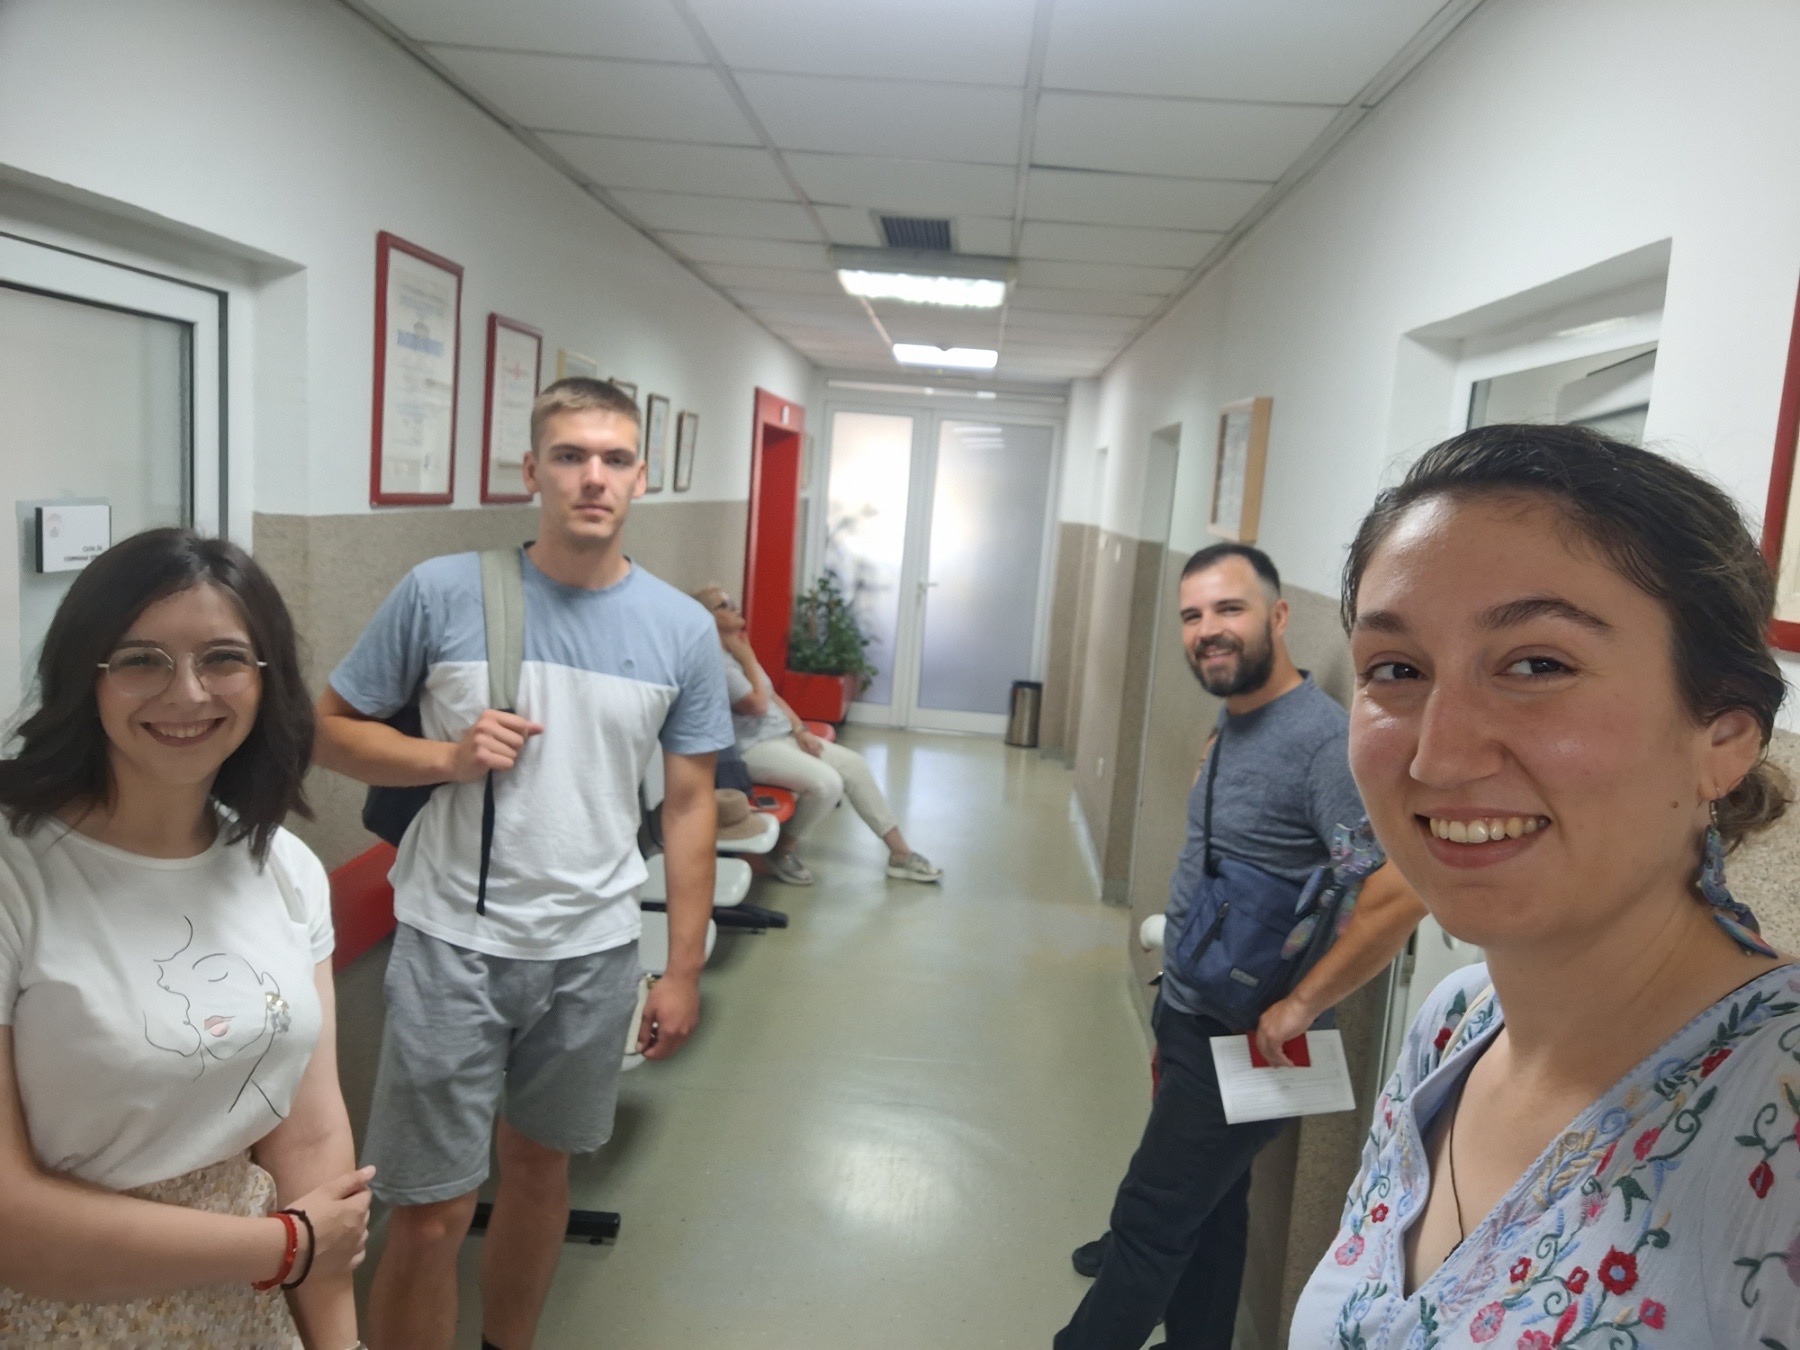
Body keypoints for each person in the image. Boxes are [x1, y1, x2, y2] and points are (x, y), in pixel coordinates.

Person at [1290, 425, 1800, 1346]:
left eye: (1538, 665)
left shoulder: (1780, 1114)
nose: (1439, 758)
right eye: (1396, 670)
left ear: (1722, 739)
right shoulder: (1454, 1026)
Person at [314, 378, 731, 1350]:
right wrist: (445, 758)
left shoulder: (680, 629)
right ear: (531, 470)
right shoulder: (442, 592)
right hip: (451, 943)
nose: (594, 478)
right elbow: (329, 731)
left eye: (615, 459)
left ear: (642, 476)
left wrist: (680, 967)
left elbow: (689, 805)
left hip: (593, 951)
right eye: (571, 456)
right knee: (431, 1210)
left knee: (541, 1174)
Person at [0, 528, 370, 1346]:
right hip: (57, 1312)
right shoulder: (15, 873)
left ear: (265, 679)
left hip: (249, 1306)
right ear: (86, 675)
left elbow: (307, 1137)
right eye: (142, 660)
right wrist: (286, 1246)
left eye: (223, 659)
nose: (188, 692)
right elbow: (10, 1222)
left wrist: (338, 1341)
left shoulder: (285, 868)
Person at [1057, 543, 1426, 1350]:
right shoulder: (1238, 718)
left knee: (1151, 1215)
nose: (1208, 630)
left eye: (1229, 608)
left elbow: (1400, 886)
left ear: (1278, 616)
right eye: (1192, 616)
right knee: (1214, 1208)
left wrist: (1303, 1003)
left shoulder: (1321, 744)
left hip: (1251, 1032)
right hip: (1195, 1008)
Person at [694, 585, 942, 887]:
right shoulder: (720, 662)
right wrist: (747, 658)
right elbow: (758, 705)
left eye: (731, 601)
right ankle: (780, 851)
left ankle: (900, 854)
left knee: (855, 766)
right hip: (753, 748)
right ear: (706, 618)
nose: (734, 607)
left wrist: (800, 729)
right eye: (723, 605)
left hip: (783, 736)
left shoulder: (735, 650)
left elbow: (773, 697)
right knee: (827, 785)